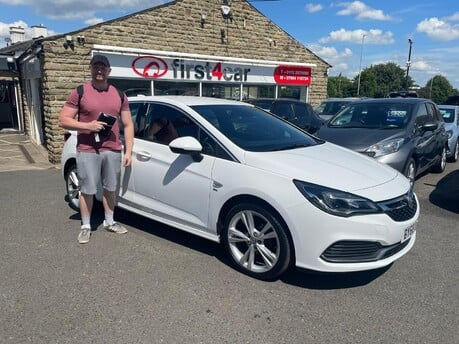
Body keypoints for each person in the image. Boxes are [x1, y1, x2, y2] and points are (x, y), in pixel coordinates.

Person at [58, 54, 134, 244]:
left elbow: (128, 124)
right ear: (91, 69)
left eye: (103, 67)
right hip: (88, 149)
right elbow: (63, 120)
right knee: (87, 189)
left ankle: (110, 221)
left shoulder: (119, 94)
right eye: (96, 67)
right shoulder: (80, 92)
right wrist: (88, 126)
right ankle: (85, 226)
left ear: (109, 71)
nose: (99, 70)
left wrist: (129, 151)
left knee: (110, 188)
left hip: (113, 148)